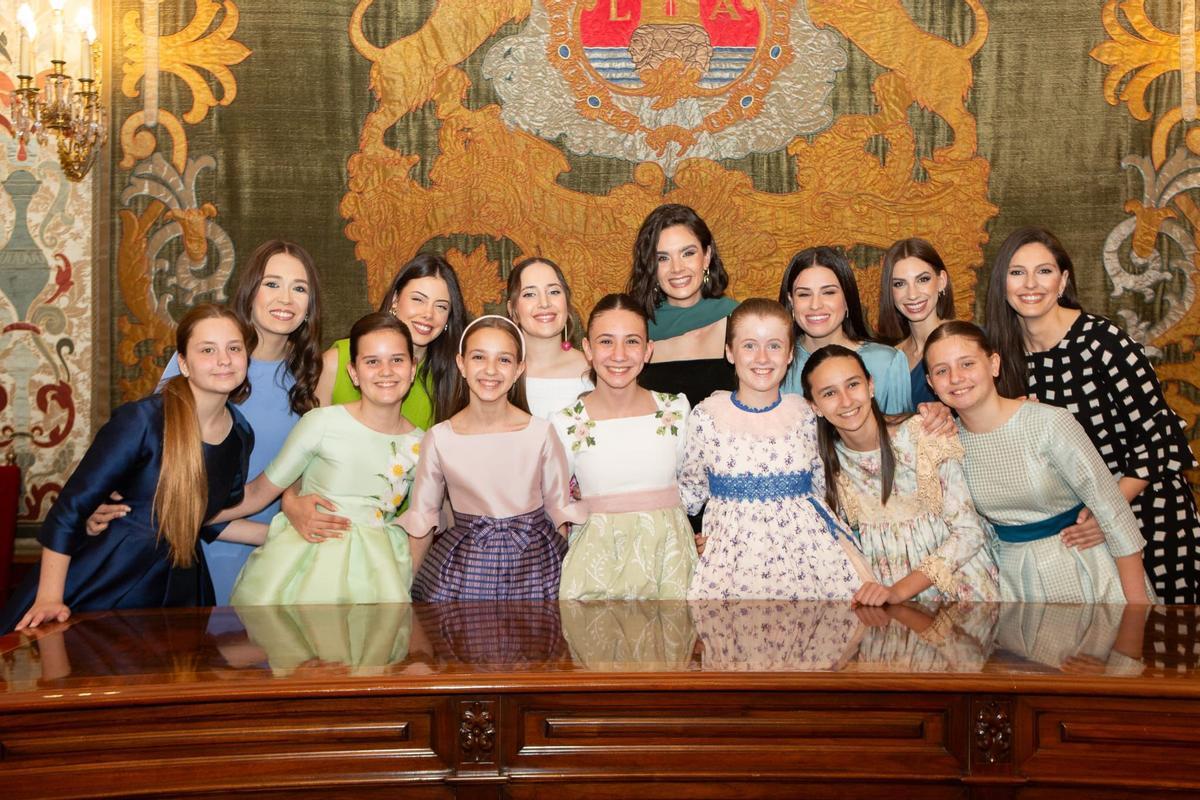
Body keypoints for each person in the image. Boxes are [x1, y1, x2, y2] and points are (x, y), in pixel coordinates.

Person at [87, 240, 325, 606]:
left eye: (299, 288)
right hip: (193, 547)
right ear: (249, 293)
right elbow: (151, 461)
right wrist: (109, 498)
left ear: (310, 306)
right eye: (272, 283)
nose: (286, 299)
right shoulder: (210, 363)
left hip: (276, 552)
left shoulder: (312, 375)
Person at [1, 305, 258, 633]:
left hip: (180, 584)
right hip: (108, 575)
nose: (224, 360)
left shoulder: (240, 433)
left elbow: (204, 520)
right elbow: (70, 509)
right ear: (183, 363)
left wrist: (287, 535)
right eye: (208, 350)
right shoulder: (143, 421)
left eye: (233, 348)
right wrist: (50, 597)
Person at [986, 225, 1200, 604]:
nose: (1030, 284)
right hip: (1082, 525)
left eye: (1044, 271)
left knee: (1167, 645)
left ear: (1063, 280)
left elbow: (1161, 439)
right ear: (1001, 282)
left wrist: (1109, 513)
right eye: (1017, 272)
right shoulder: (1003, 357)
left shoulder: (1102, 342)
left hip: (1147, 507)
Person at [923, 320, 1155, 604]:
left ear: (994, 364)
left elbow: (1114, 512)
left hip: (1086, 571)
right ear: (931, 384)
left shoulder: (1048, 422)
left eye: (967, 363)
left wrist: (1137, 610)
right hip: (1013, 584)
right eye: (942, 371)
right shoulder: (949, 443)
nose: (956, 378)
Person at [209, 313, 423, 605]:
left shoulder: (422, 445)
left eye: (397, 360)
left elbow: (430, 515)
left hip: (376, 577)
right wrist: (187, 516)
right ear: (354, 372)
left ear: (413, 369)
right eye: (372, 361)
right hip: (304, 571)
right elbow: (259, 493)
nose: (386, 371)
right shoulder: (321, 423)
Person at [679, 298, 874, 599]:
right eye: (749, 345)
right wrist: (683, 537)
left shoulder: (806, 412)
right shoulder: (707, 416)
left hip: (811, 563)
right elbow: (690, 493)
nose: (762, 357)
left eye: (773, 345)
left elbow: (823, 483)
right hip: (732, 566)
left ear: (789, 354)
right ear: (730, 352)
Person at [399, 316, 587, 600]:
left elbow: (557, 513)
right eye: (479, 357)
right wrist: (404, 594)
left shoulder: (541, 432)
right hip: (463, 572)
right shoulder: (440, 437)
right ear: (461, 364)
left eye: (504, 360)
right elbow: (423, 519)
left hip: (536, 569)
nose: (490, 370)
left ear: (518, 369)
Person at [800, 345, 999, 605]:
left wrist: (898, 591)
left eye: (853, 385)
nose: (846, 401)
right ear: (814, 406)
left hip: (959, 588)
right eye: (829, 393)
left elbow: (969, 532)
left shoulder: (922, 434)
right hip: (888, 600)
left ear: (870, 386)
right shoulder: (826, 463)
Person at [551, 293, 696, 600]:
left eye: (631, 341)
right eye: (606, 342)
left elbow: (693, 484)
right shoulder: (565, 422)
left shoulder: (677, 411)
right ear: (588, 349)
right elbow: (555, 503)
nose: (619, 354)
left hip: (668, 564)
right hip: (595, 568)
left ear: (648, 351)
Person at [626, 204, 738, 408]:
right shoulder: (634, 330)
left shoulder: (739, 322)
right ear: (651, 266)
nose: (677, 268)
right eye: (663, 258)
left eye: (688, 253)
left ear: (706, 256)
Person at [779, 246, 911, 412]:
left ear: (847, 299)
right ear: (791, 301)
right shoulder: (777, 363)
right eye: (804, 294)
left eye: (828, 292)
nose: (815, 305)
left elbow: (904, 432)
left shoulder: (886, 363)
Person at [506, 256, 593, 417]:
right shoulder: (498, 373)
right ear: (513, 310)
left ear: (567, 302)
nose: (544, 303)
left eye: (553, 292)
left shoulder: (595, 371)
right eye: (530, 294)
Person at [876, 238, 956, 407]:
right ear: (890, 292)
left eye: (923, 280)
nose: (912, 294)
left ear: (941, 281)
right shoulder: (888, 359)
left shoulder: (969, 340)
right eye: (899, 284)